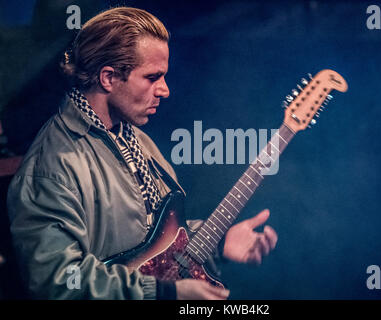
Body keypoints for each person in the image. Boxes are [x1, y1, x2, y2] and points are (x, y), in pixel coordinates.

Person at [7, 7, 277, 300]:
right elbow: (57, 281)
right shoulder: (52, 166)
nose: (165, 90)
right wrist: (163, 294)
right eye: (152, 77)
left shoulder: (138, 140)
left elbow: (154, 241)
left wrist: (219, 243)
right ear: (108, 78)